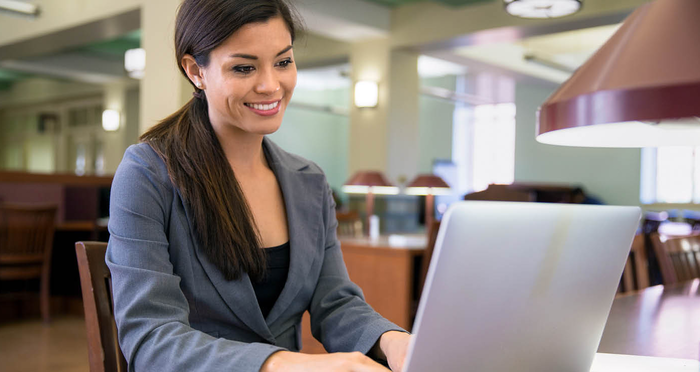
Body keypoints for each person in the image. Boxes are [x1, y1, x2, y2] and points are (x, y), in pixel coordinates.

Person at [106, 0, 411, 371]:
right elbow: (151, 337)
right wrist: (285, 365)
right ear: (195, 71)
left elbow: (334, 303)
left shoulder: (309, 182)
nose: (271, 85)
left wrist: (393, 340)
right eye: (244, 67)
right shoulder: (147, 173)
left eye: (283, 62)